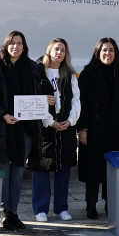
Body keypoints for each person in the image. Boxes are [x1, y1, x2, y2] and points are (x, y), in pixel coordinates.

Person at [0, 31, 49, 230]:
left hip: (25, 128)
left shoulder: (33, 67)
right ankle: (4, 211)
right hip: (3, 127)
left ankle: (14, 212)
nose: (16, 47)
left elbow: (40, 92)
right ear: (6, 45)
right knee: (3, 170)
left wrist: (46, 100)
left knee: (18, 172)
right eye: (12, 43)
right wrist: (2, 114)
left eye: (19, 43)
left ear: (24, 46)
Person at [77, 37, 119, 219]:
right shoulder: (88, 74)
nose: (107, 53)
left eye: (111, 50)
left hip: (116, 130)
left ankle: (111, 204)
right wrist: (82, 128)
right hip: (94, 130)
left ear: (115, 53)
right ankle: (91, 205)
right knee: (94, 169)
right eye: (104, 50)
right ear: (97, 52)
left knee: (114, 169)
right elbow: (81, 104)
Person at [30, 38, 80, 221]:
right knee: (42, 167)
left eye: (63, 50)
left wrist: (70, 120)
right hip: (45, 128)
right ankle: (40, 208)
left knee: (64, 168)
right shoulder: (38, 72)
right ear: (49, 51)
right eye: (56, 49)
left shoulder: (69, 75)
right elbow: (33, 99)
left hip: (65, 127)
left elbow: (76, 100)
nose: (59, 53)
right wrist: (49, 121)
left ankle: (61, 208)